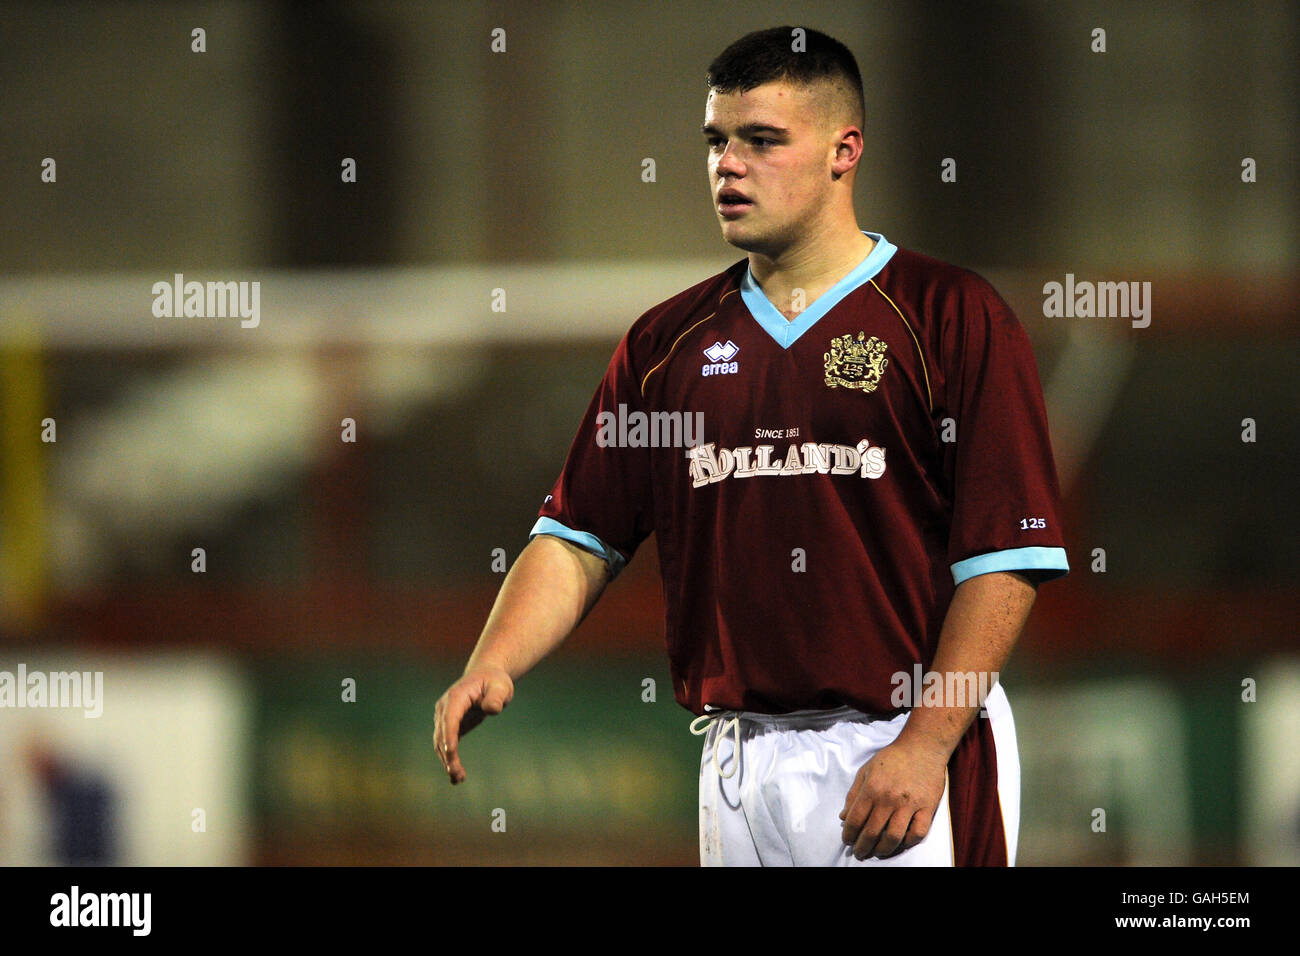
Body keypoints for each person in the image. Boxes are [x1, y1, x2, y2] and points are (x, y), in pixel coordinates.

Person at [434, 25, 1069, 866]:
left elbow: (1003, 562)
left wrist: (923, 746)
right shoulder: (666, 344)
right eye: (716, 141)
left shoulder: (950, 316)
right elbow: (578, 538)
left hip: (903, 749)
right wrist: (495, 658)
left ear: (845, 151)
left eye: (762, 140)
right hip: (737, 757)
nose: (727, 165)